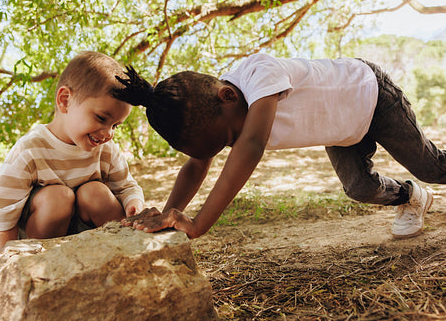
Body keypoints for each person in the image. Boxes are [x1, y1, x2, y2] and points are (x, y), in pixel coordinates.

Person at [110, 54, 444, 241]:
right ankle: (413, 197)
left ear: (228, 97)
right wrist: (170, 214)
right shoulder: (222, 111)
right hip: (341, 129)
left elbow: (251, 146)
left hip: (370, 95)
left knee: (432, 167)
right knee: (358, 187)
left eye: (229, 137)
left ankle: (427, 181)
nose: (233, 144)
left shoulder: (259, 72)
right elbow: (197, 165)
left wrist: (198, 225)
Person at [0, 51, 144, 278]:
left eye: (116, 125)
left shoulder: (105, 149)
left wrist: (134, 203)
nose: (108, 133)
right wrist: (4, 278)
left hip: (93, 240)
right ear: (65, 100)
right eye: (102, 119)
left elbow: (126, 186)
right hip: (43, 243)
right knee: (58, 198)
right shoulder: (30, 150)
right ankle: (42, 275)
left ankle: (126, 259)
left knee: (95, 192)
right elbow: (1, 217)